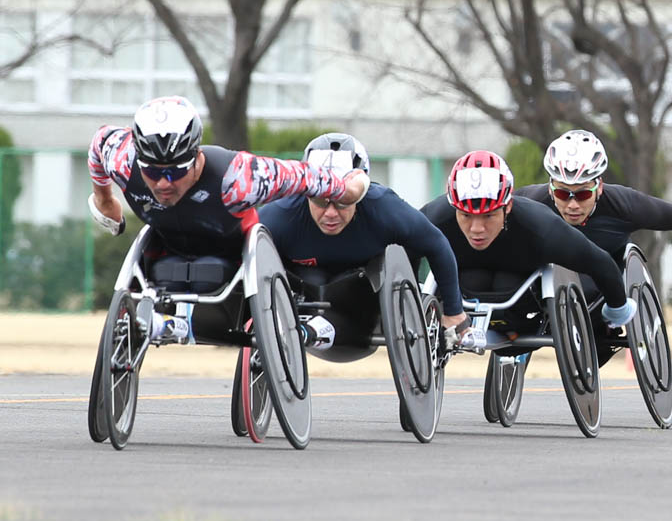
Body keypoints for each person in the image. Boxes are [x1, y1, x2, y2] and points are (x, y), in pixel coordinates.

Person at [86, 96, 368, 344]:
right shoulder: (124, 159)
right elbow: (99, 142)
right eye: (152, 171)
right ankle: (168, 323)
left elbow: (304, 177)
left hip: (232, 260)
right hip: (165, 249)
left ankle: (179, 324)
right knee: (161, 261)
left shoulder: (240, 178)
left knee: (213, 272)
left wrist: (348, 189)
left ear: (196, 157)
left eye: (174, 172)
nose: (162, 184)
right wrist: (105, 199)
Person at [258, 133, 467, 353]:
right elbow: (244, 254)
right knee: (310, 278)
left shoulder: (383, 208)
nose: (330, 213)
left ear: (359, 193)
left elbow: (437, 245)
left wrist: (453, 312)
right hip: (300, 293)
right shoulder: (281, 214)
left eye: (342, 201)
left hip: (361, 302)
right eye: (320, 200)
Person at [419, 150, 636, 337]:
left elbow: (598, 262)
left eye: (489, 216)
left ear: (508, 206)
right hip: (462, 286)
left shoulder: (540, 225)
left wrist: (617, 309)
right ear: (454, 207)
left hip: (522, 300)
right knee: (474, 279)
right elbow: (402, 254)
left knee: (504, 282)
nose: (477, 228)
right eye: (466, 215)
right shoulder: (435, 217)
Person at [516, 128, 672, 262]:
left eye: (583, 194)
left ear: (599, 186)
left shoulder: (625, 204)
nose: (572, 205)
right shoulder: (531, 200)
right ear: (551, 188)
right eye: (562, 193)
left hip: (605, 279)